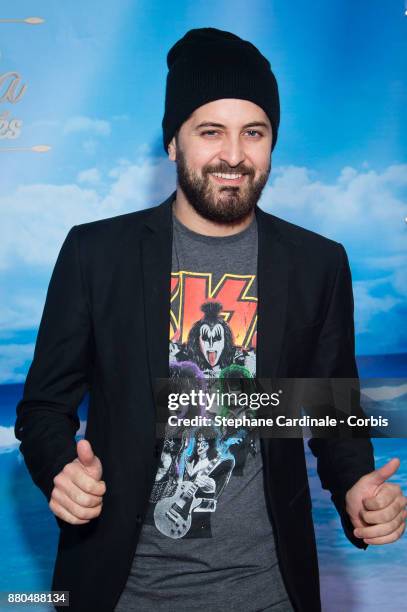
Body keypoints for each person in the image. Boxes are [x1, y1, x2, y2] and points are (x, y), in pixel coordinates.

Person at [14, 27, 406, 612]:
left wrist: (355, 488)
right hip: (122, 592)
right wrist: (61, 471)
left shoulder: (318, 263)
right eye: (210, 132)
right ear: (173, 142)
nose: (233, 155)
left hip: (269, 591)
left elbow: (331, 413)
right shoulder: (97, 254)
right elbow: (44, 408)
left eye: (254, 132)